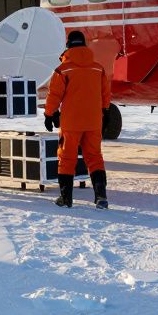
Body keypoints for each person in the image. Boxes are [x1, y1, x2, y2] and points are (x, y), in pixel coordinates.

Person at [44, 30, 111, 208]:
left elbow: (54, 95)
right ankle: (101, 197)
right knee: (95, 157)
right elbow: (105, 94)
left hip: (71, 123)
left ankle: (66, 199)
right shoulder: (98, 68)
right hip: (94, 121)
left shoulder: (63, 69)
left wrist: (49, 114)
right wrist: (105, 112)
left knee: (66, 159)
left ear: (68, 46)